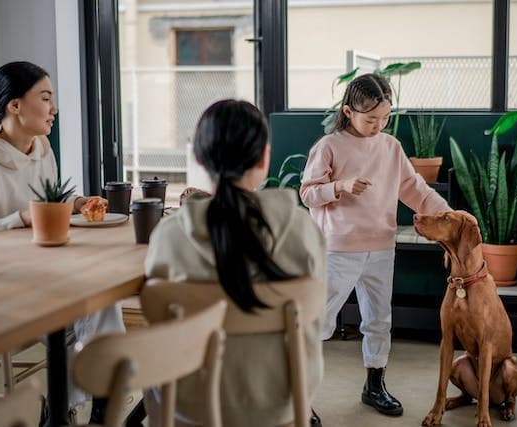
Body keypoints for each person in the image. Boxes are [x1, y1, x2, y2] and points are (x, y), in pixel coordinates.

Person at [0, 61, 123, 424]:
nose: (53, 108)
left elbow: (48, 203)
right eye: (45, 98)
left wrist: (74, 204)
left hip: (39, 273)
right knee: (79, 311)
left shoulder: (41, 150)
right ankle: (75, 407)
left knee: (102, 299)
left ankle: (94, 404)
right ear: (14, 106)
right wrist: (20, 218)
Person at [144, 99, 325, 427]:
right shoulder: (303, 228)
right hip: (283, 399)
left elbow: (158, 325)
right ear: (264, 158)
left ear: (199, 158)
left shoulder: (168, 236)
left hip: (191, 404)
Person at [299, 73, 452, 417]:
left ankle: (374, 386)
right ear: (348, 111)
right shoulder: (329, 146)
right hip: (337, 249)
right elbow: (308, 193)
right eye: (371, 119)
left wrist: (447, 215)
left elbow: (414, 189)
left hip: (381, 247)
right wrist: (340, 187)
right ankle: (299, 396)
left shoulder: (390, 146)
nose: (378, 125)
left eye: (385, 118)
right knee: (317, 322)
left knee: (379, 320)